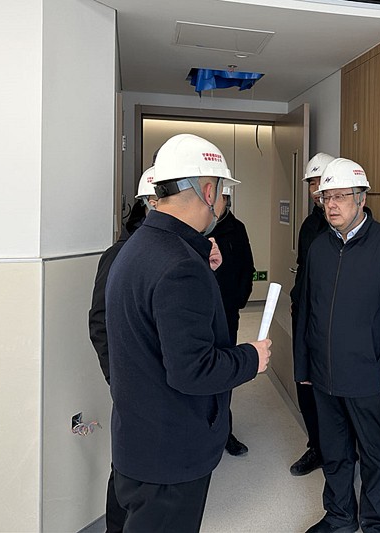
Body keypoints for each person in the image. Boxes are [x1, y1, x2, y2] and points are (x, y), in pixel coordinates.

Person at [105, 133, 271, 533]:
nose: (223, 203)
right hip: (171, 455)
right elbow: (193, 371)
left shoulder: (137, 248)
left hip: (137, 441)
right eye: (223, 193)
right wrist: (251, 357)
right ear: (209, 191)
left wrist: (200, 264)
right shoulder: (179, 266)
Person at [294, 158, 380, 533]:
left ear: (361, 198)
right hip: (323, 374)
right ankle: (339, 518)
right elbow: (306, 310)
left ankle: (376, 523)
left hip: (368, 374)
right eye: (326, 197)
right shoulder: (319, 248)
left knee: (374, 455)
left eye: (340, 197)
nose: (331, 205)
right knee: (334, 453)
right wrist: (303, 365)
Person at [87, 166, 158, 533]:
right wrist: (115, 376)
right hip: (131, 384)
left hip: (165, 386)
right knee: (127, 469)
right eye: (157, 201)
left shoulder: (179, 252)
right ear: (146, 204)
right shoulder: (119, 254)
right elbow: (98, 321)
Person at [289, 152, 335, 476]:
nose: (316, 190)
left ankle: (336, 451)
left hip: (331, 319)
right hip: (304, 312)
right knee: (303, 381)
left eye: (321, 182)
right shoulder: (308, 226)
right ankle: (316, 446)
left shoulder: (342, 224)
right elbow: (303, 268)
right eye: (311, 184)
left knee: (328, 385)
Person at [207, 185, 256, 457]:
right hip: (200, 314)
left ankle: (225, 431)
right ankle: (203, 430)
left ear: (226, 199)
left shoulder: (237, 229)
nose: (216, 203)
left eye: (221, 198)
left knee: (226, 372)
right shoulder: (196, 227)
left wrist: (239, 299)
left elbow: (247, 267)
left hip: (227, 313)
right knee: (200, 369)